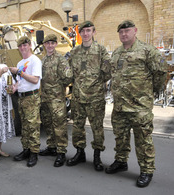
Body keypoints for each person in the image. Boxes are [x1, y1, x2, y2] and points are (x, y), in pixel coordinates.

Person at [105, 20, 167, 187]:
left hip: (139, 106)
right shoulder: (116, 53)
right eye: (121, 32)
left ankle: (147, 170)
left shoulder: (148, 51)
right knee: (121, 137)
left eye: (127, 31)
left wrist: (151, 91)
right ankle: (121, 161)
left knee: (143, 140)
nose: (124, 34)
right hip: (120, 106)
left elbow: (161, 72)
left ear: (135, 31)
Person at [66, 21, 111, 171]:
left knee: (97, 128)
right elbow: (69, 73)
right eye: (83, 31)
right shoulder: (74, 52)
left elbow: (107, 72)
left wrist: (95, 85)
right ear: (80, 34)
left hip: (95, 99)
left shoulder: (100, 50)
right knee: (78, 127)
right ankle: (80, 153)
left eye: (88, 31)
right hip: (78, 98)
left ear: (93, 32)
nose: (85, 34)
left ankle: (97, 156)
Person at [39, 34, 73, 167]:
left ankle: (61, 152)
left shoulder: (61, 59)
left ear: (56, 44)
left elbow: (68, 77)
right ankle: (52, 146)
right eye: (48, 43)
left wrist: (59, 86)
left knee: (59, 126)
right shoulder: (43, 60)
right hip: (45, 98)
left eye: (52, 43)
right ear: (45, 45)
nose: (50, 46)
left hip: (57, 99)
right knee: (48, 123)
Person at [9, 36, 42, 167]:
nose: (23, 48)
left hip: (32, 98)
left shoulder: (35, 60)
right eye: (20, 46)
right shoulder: (20, 63)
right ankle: (26, 150)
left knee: (33, 126)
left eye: (25, 45)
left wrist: (19, 72)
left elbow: (35, 80)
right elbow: (20, 82)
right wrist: (14, 87)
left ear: (29, 45)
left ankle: (34, 153)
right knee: (24, 126)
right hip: (22, 97)